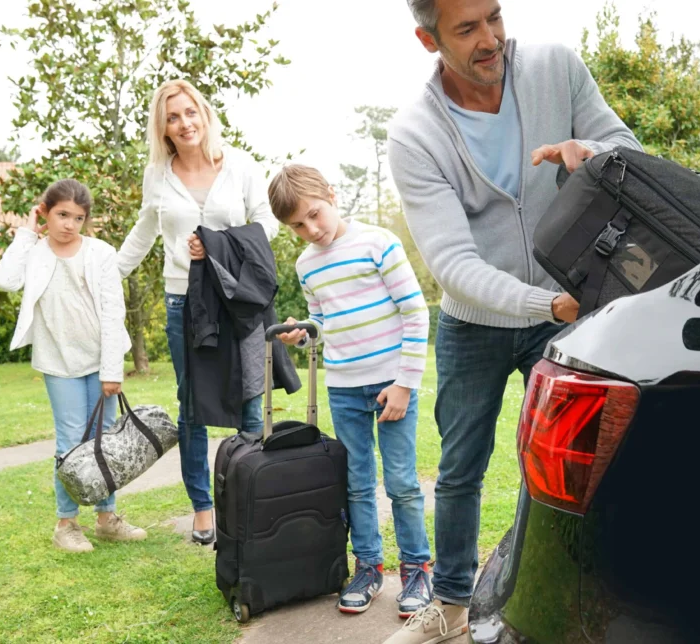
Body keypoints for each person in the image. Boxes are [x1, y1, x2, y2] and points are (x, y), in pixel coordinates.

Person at [384, 0, 641, 640]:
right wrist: (545, 304)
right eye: (466, 28)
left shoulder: (555, 67)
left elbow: (630, 151)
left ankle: (567, 591)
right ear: (427, 39)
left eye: (493, 17)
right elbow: (452, 263)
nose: (490, 38)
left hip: (566, 307)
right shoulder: (415, 134)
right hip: (478, 322)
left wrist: (593, 154)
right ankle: (448, 605)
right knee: (462, 465)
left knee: (570, 461)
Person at [117, 79, 280, 545]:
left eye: (191, 112)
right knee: (193, 407)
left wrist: (218, 244)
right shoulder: (158, 175)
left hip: (237, 301)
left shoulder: (240, 164)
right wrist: (102, 275)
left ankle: (247, 499)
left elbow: (266, 222)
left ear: (204, 115)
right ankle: (204, 509)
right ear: (162, 128)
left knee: (250, 401)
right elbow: (143, 233)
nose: (184, 123)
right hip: (183, 301)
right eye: (173, 117)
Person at [268, 164, 434, 619]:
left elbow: (416, 313)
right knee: (357, 483)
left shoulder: (378, 243)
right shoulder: (306, 265)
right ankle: (368, 566)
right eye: (298, 226)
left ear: (332, 196)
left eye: (315, 215)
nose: (312, 229)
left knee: (400, 482)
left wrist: (404, 384)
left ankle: (418, 568)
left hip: (391, 386)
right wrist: (301, 336)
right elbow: (323, 324)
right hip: (343, 388)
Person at [0, 178, 147, 553]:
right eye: (61, 215)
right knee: (71, 441)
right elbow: (3, 280)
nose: (69, 225)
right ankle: (66, 523)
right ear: (44, 212)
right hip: (58, 361)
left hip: (99, 361)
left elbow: (113, 314)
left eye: (78, 218)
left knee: (105, 439)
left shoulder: (101, 253)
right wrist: (26, 235)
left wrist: (113, 370)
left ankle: (107, 518)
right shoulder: (34, 252)